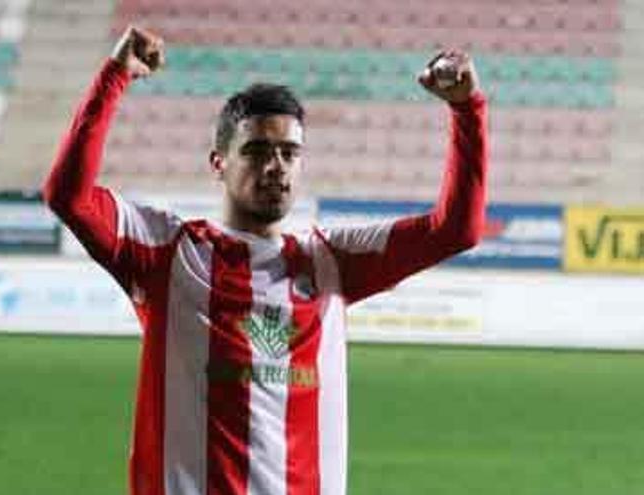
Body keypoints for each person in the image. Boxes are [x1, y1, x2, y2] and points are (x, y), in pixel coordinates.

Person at [43, 25, 487, 495]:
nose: (275, 165)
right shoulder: (165, 251)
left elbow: (455, 230)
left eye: (289, 153)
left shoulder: (330, 259)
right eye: (256, 151)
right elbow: (69, 196)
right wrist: (115, 77)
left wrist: (467, 109)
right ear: (219, 163)